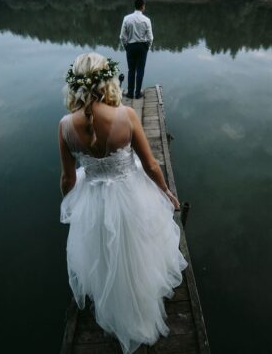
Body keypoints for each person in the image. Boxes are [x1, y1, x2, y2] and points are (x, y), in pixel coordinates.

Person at [58, 53, 187, 353]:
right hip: (131, 195)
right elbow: (152, 165)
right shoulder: (127, 116)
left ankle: (115, 302)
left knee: (103, 254)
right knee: (139, 248)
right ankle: (140, 299)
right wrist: (166, 192)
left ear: (74, 84)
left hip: (94, 199)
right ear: (107, 81)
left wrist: (71, 202)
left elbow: (67, 179)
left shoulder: (64, 126)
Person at [119, 0, 153, 99]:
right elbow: (150, 37)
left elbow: (122, 36)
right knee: (140, 70)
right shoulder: (146, 20)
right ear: (143, 7)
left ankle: (130, 93)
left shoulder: (126, 18)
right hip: (142, 47)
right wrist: (147, 47)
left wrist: (126, 46)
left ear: (135, 6)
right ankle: (137, 93)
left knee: (131, 70)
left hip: (130, 46)